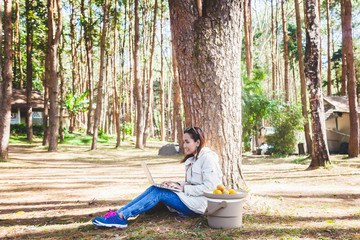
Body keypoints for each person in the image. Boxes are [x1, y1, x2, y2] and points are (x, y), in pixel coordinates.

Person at [92, 126, 223, 228]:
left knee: (159, 193)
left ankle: (121, 217)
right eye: (183, 142)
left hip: (199, 206)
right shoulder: (194, 159)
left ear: (198, 142)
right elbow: (194, 184)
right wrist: (176, 184)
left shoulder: (207, 159)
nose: (184, 146)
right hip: (190, 199)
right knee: (154, 188)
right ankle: (118, 214)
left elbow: (210, 187)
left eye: (187, 142)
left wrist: (182, 189)